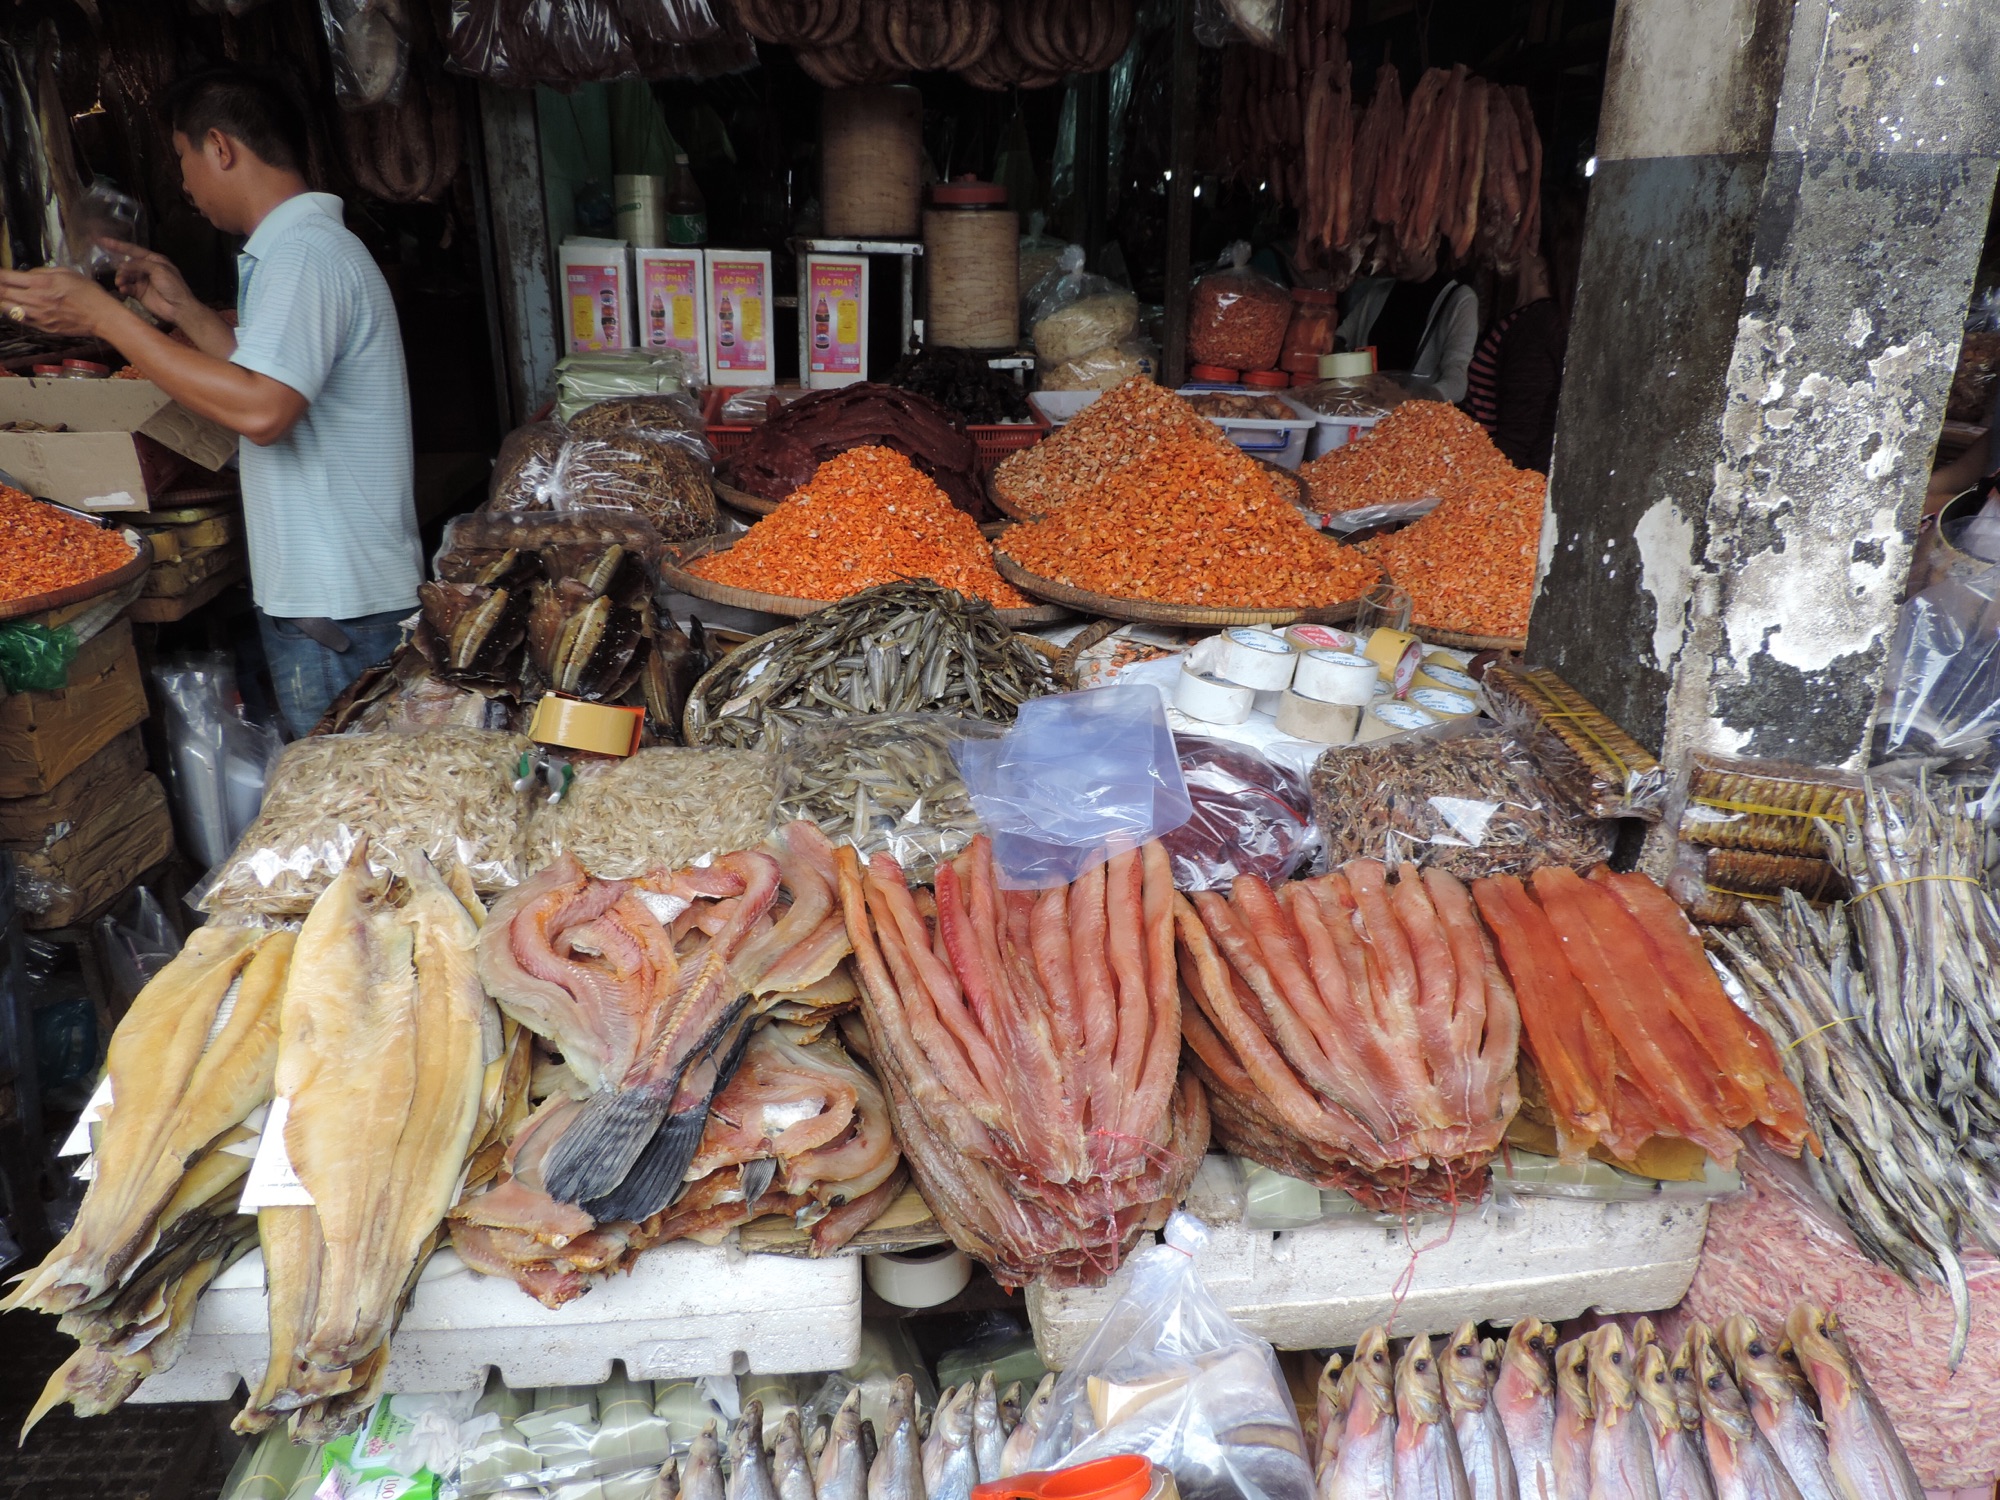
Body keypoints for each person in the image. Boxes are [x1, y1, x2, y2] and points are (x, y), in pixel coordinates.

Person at [0, 65, 420, 737]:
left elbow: (263, 412)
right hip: (336, 609)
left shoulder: (305, 255)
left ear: (220, 147)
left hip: (339, 615)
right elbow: (264, 382)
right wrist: (185, 312)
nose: (184, 184)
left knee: (354, 821)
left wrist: (107, 319)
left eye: (181, 158)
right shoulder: (300, 252)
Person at [1464, 251, 1567, 471]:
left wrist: (1491, 481)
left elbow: (1520, 431)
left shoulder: (1538, 324)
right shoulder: (1527, 317)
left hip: (1513, 474)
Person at [1339, 265, 1480, 403]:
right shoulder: (1377, 294)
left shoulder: (1460, 300)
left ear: (1435, 241)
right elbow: (1341, 338)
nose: (1401, 253)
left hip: (1414, 422)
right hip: (1363, 415)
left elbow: (1457, 382)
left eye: (1414, 239)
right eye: (1396, 242)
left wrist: (1411, 397)